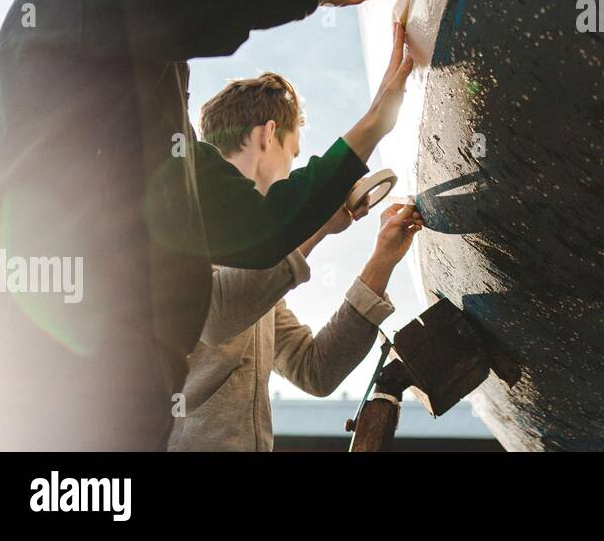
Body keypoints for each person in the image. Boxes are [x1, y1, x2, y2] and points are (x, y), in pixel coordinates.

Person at [0, 0, 411, 449]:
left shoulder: (168, 140)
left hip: (125, 397)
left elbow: (259, 231)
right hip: (46, 372)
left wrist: (376, 121)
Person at [169, 73, 422, 451]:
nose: (292, 167)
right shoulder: (184, 231)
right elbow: (218, 315)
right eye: (294, 153)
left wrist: (382, 259)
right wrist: (313, 228)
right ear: (268, 134)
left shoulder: (258, 279)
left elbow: (314, 370)